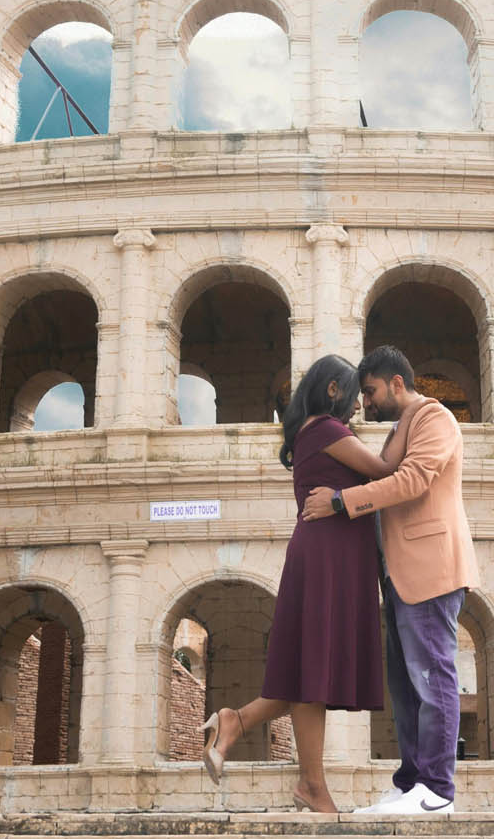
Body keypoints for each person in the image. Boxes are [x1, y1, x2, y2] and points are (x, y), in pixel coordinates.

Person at [200, 354, 394, 813]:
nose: (359, 406)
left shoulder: (313, 431)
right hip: (328, 557)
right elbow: (387, 473)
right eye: (355, 395)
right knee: (314, 672)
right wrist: (412, 426)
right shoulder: (326, 429)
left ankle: (238, 724)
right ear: (333, 390)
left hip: (328, 555)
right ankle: (309, 782)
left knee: (312, 671)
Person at [300, 345, 479, 815]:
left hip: (430, 568)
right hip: (403, 574)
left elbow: (413, 480)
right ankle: (411, 782)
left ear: (397, 383)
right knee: (406, 686)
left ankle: (436, 790)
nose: (367, 402)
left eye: (371, 391)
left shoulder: (434, 418)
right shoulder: (402, 428)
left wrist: (340, 501)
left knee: (432, 677)